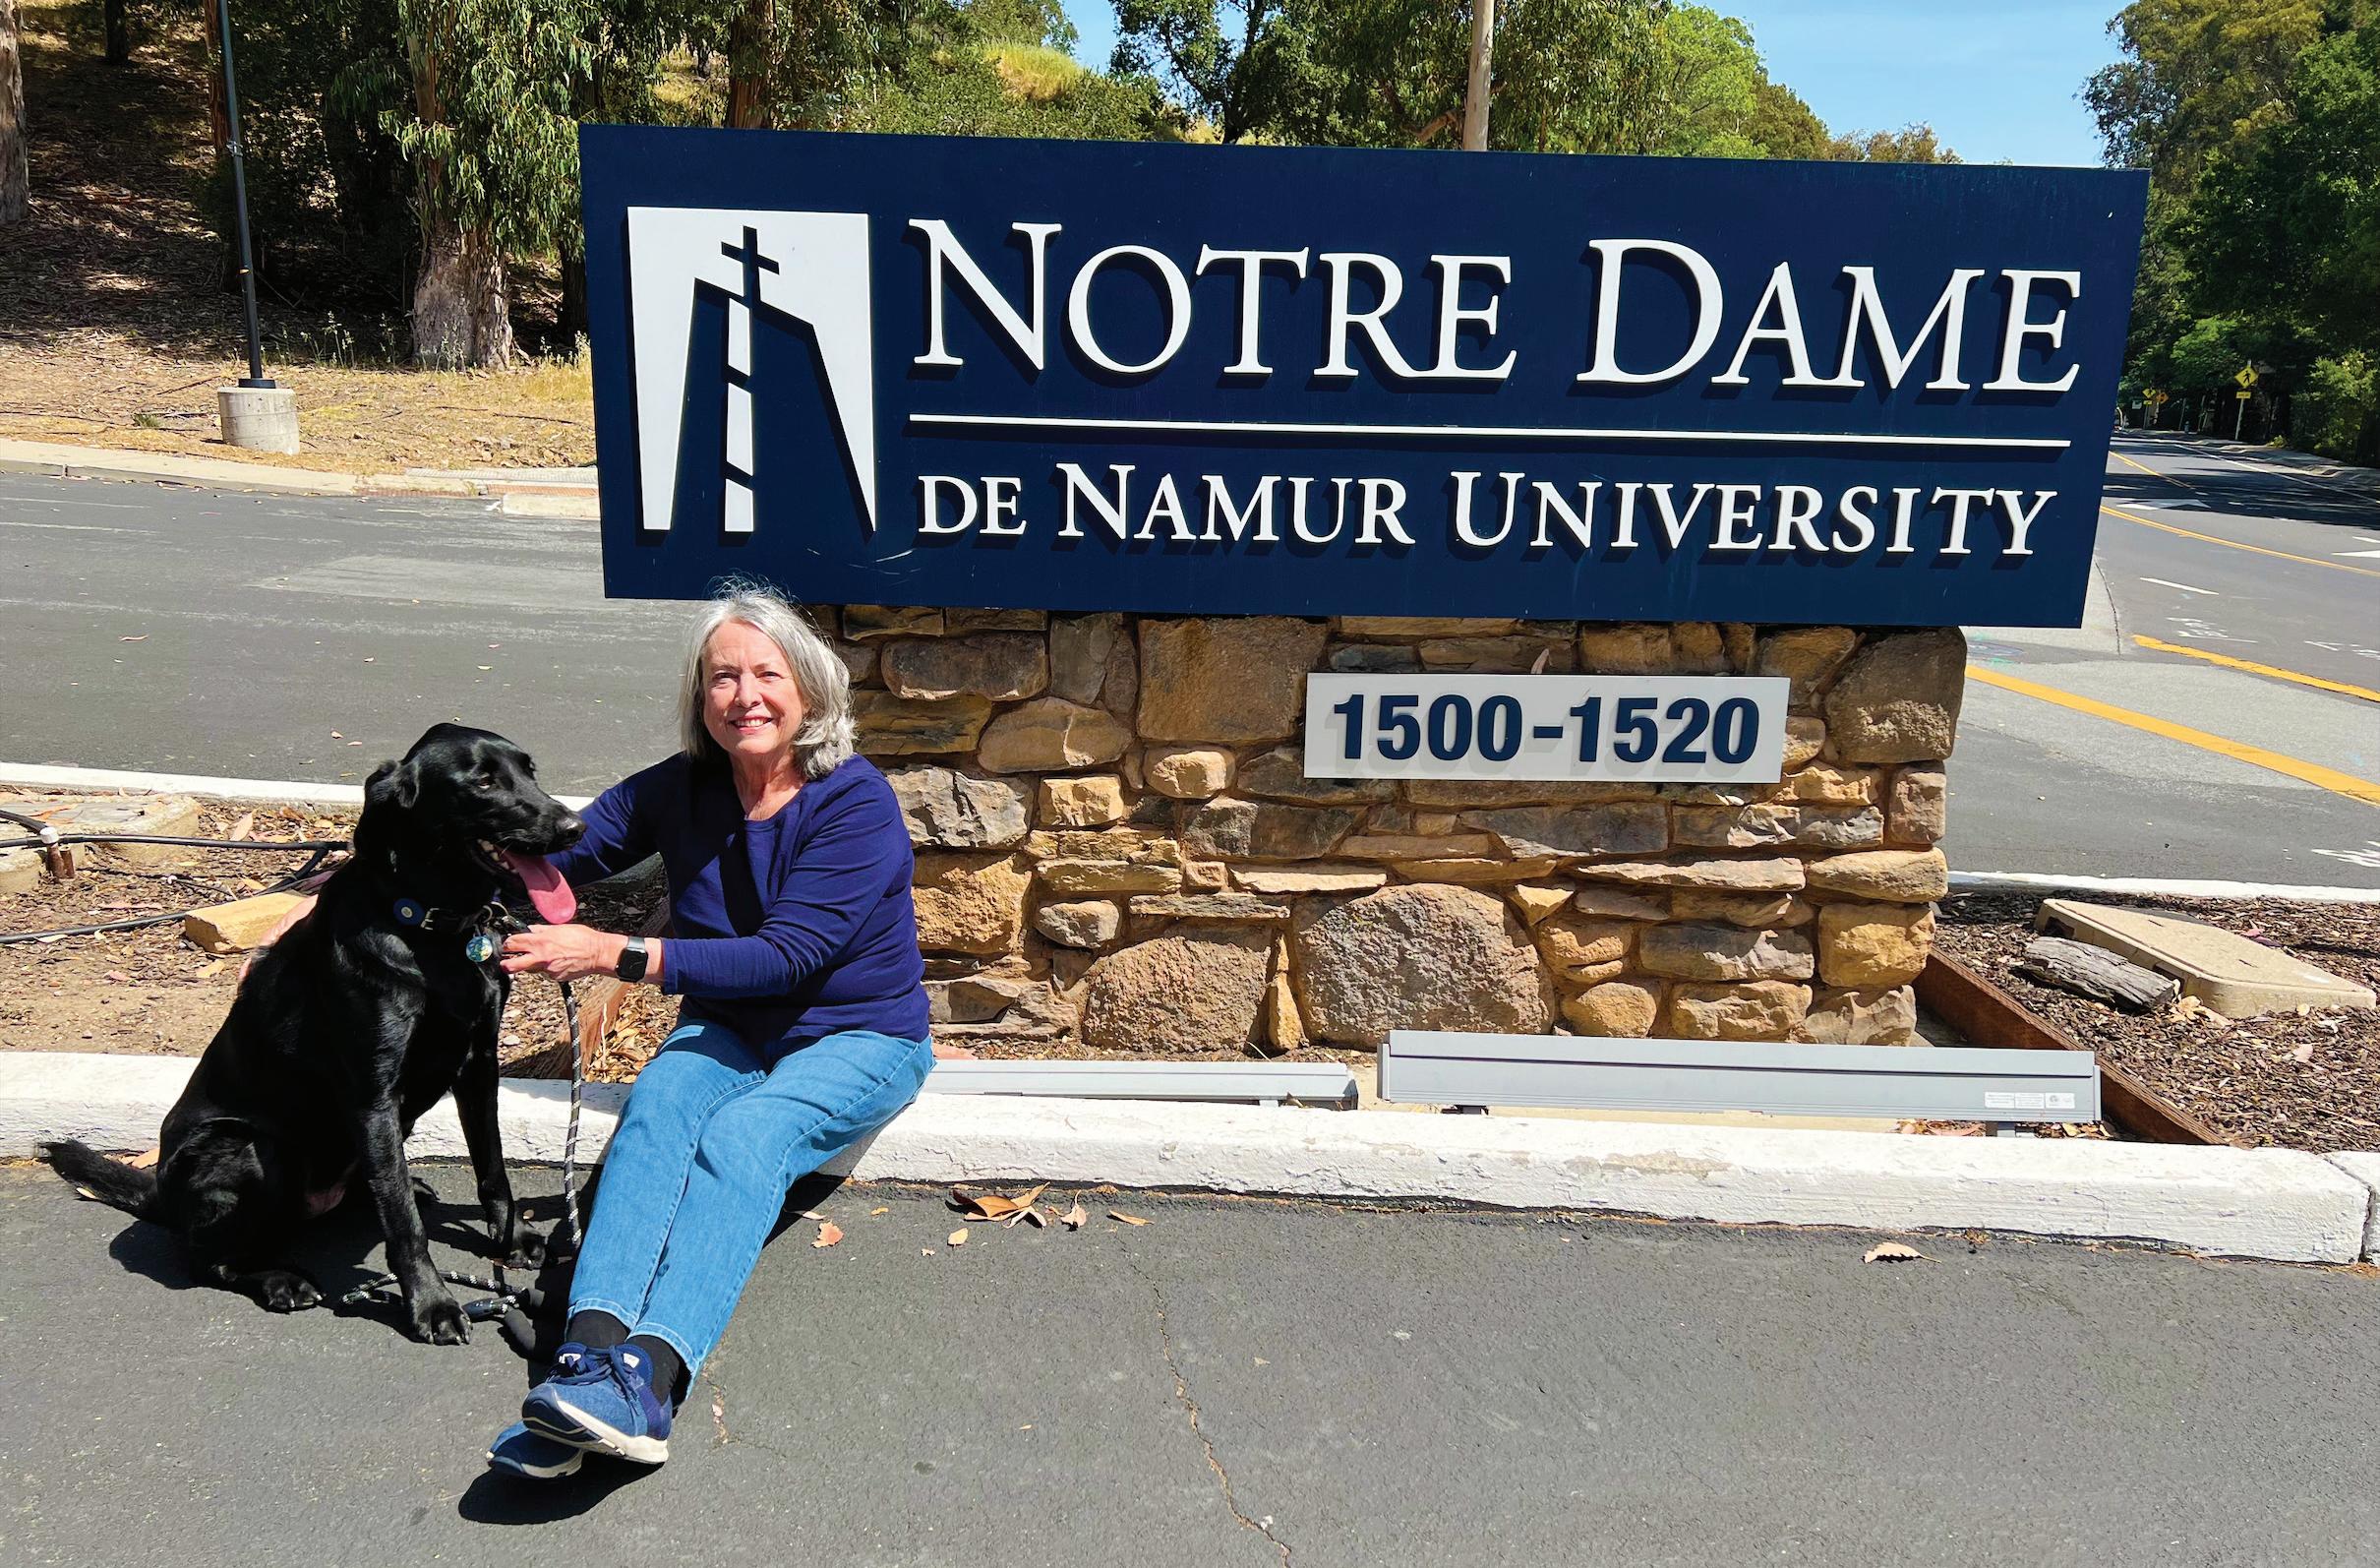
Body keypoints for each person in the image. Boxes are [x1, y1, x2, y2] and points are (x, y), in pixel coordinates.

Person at [471, 585, 937, 1478]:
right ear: (700, 696)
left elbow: (787, 956)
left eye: (767, 674)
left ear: (808, 689)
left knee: (745, 1138)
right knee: (657, 1110)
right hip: (729, 1027)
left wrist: (612, 952)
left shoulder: (854, 801)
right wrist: (392, 875)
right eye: (723, 677)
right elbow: (565, 848)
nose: (744, 695)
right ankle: (588, 1362)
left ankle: (648, 1381)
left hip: (859, 1037)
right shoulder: (682, 786)